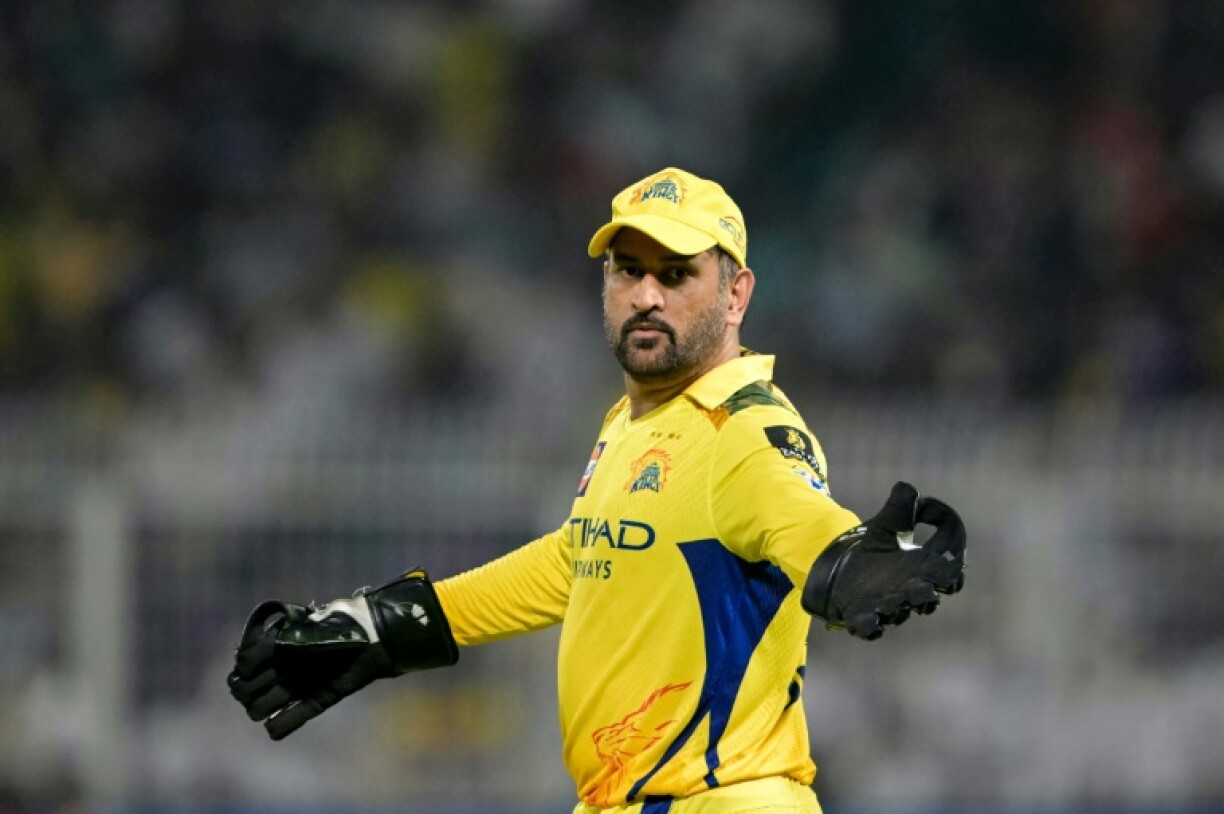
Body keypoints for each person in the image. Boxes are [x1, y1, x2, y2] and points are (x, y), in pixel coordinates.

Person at [227, 168, 967, 814]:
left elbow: (799, 515)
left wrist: (848, 558)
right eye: (627, 270)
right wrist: (385, 626)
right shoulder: (636, 423)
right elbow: (579, 557)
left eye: (676, 274)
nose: (646, 295)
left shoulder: (743, 428)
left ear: (736, 294)